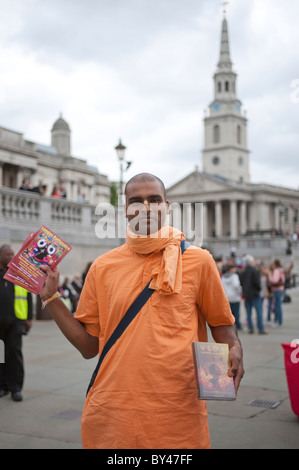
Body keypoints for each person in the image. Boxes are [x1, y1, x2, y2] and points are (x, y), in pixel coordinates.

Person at [39, 173, 244, 449]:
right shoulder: (102, 267)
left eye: (154, 200)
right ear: (125, 210)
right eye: (136, 201)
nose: (146, 208)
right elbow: (89, 347)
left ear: (167, 207)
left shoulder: (199, 260)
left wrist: (233, 346)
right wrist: (51, 298)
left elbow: (221, 323)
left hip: (177, 413)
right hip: (114, 415)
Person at [0, 245, 33, 401]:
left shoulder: (19, 273)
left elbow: (28, 295)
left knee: (14, 354)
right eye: (7, 254)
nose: (11, 256)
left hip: (16, 321)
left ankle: (16, 389)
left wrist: (28, 318)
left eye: (12, 254)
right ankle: (2, 386)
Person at [239, 254, 266, 334]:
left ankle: (250, 328)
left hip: (247, 294)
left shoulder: (243, 272)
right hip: (254, 294)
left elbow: (241, 283)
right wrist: (258, 289)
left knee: (248, 313)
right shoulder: (254, 271)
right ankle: (260, 328)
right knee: (259, 312)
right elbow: (257, 283)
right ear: (251, 262)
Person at [221, 263, 242, 330]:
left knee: (230, 312)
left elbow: (222, 287)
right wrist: (240, 291)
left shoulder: (223, 277)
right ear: (231, 269)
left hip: (227, 296)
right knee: (236, 312)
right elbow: (236, 285)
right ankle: (237, 325)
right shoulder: (234, 276)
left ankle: (231, 325)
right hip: (235, 296)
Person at [268, 259, 285, 326]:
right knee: (279, 305)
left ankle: (278, 321)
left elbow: (274, 280)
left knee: (277, 306)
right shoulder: (281, 270)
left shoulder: (276, 271)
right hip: (280, 289)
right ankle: (279, 321)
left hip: (276, 289)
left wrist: (270, 276)